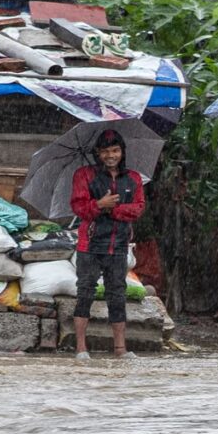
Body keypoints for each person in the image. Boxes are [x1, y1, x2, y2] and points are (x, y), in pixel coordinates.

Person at [70, 129, 145, 360]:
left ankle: (120, 349)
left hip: (119, 245)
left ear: (122, 152)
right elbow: (78, 207)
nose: (110, 155)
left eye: (115, 150)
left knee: (117, 294)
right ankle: (81, 348)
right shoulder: (84, 175)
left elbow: (138, 208)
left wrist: (113, 209)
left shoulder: (133, 178)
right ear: (98, 153)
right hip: (90, 245)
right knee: (85, 293)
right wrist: (99, 204)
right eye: (105, 151)